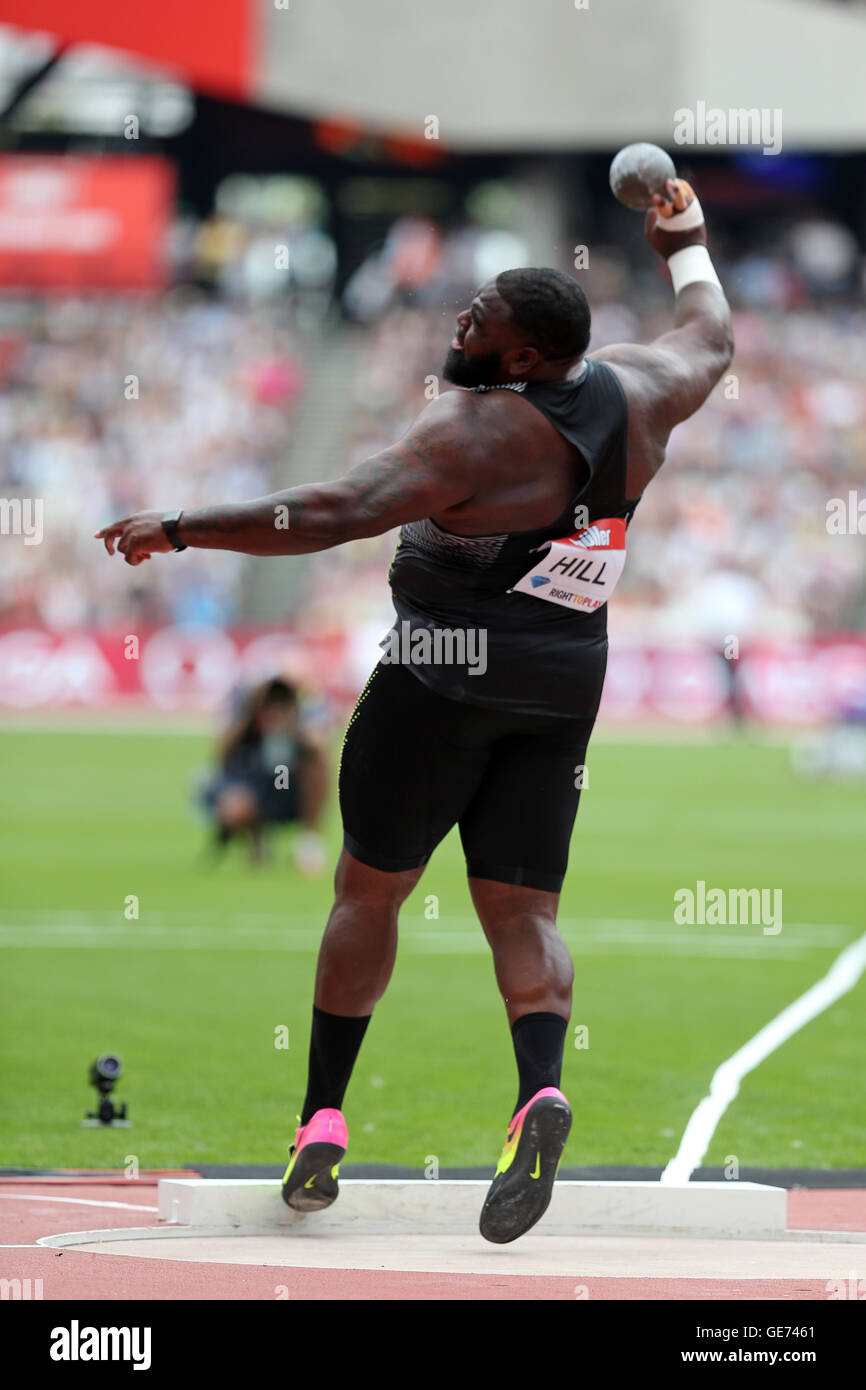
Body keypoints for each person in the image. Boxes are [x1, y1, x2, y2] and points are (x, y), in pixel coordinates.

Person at [95, 179, 733, 1243]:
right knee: (525, 917)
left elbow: (330, 513)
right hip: (562, 685)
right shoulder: (645, 387)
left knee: (367, 892)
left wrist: (179, 523)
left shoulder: (473, 433)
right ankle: (537, 1089)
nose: (458, 323)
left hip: (436, 678)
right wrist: (685, 239)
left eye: (478, 321)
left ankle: (321, 1118)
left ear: (522, 358)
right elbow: (710, 332)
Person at [199, 675, 329, 870]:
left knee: (316, 766)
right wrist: (251, 715)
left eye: (280, 702)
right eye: (270, 702)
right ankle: (256, 841)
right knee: (236, 807)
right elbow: (222, 753)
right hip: (256, 791)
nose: (275, 709)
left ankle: (308, 841)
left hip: (288, 792)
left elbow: (320, 746)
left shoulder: (299, 725)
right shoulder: (247, 725)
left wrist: (293, 728)